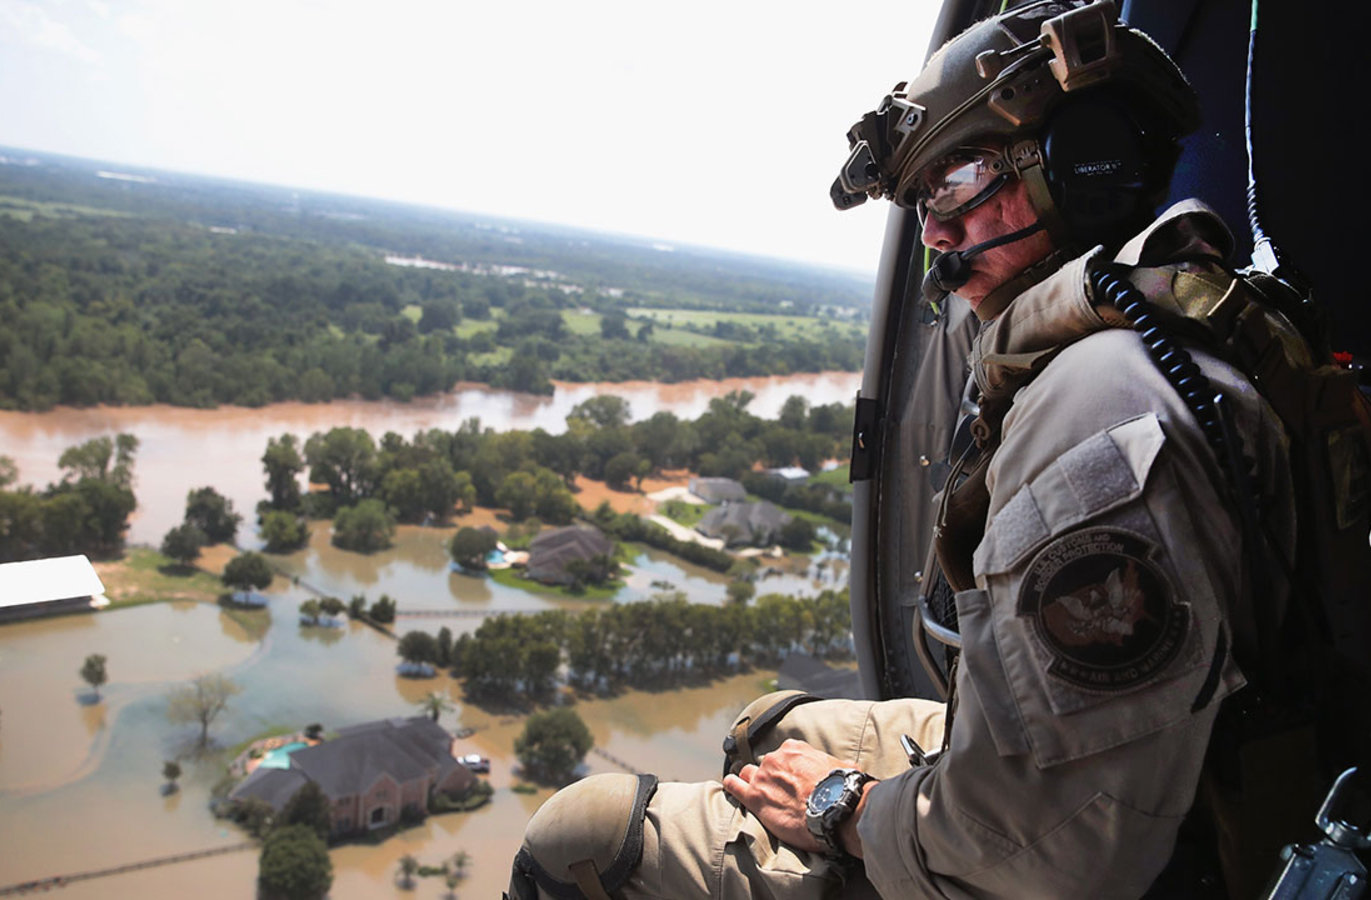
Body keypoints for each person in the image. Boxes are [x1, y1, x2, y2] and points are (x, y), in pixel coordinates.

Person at [506, 2, 1295, 898]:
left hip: (1105, 861)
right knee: (771, 731)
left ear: (1083, 164)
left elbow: (1055, 854)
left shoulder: (1102, 407)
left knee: (583, 835)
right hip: (1153, 794)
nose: (933, 234)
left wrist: (841, 804)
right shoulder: (1159, 336)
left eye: (954, 183)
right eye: (922, 202)